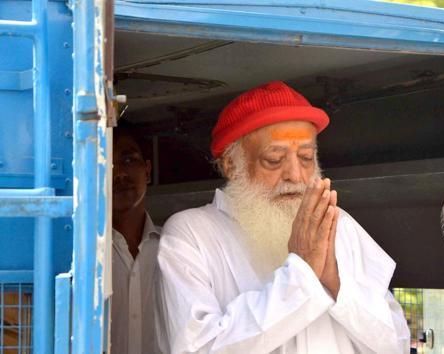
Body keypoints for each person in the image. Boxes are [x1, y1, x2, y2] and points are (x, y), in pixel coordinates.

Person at [156, 81, 410, 353]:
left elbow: (396, 344)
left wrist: (335, 281)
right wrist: (302, 273)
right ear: (231, 165)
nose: (295, 175)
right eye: (274, 159)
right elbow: (199, 348)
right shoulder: (192, 233)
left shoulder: (339, 225)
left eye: (306, 157)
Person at [111, 122, 162, 354]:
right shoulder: (82, 253)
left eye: (128, 160)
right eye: (107, 164)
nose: (118, 173)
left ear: (148, 170)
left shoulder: (176, 247)